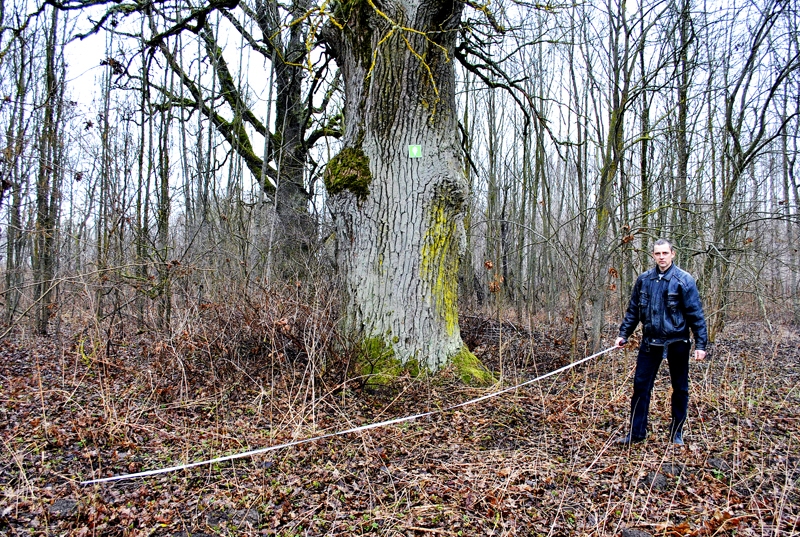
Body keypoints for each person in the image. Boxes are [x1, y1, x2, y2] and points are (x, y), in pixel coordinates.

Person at [614, 238, 708, 446]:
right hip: (650, 342)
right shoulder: (644, 280)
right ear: (653, 256)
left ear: (672, 254)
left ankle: (676, 433)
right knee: (640, 387)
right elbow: (633, 310)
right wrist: (623, 334)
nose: (661, 257)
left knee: (680, 388)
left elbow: (696, 314)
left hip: (677, 342)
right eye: (658, 254)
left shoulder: (684, 280)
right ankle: (636, 433)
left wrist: (701, 345)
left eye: (665, 253)